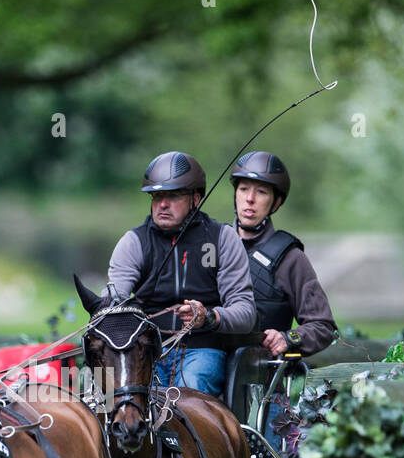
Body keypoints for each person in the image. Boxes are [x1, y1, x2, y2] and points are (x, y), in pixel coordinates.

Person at [104, 151, 255, 398]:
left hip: (202, 349)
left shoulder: (223, 238)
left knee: (191, 389)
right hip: (146, 350)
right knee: (123, 399)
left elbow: (245, 312)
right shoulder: (134, 242)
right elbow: (114, 296)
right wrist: (108, 307)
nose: (162, 204)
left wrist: (209, 317)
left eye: (173, 196)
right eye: (157, 196)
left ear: (195, 198)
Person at [229, 151, 337, 360]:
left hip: (259, 376)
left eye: (261, 192)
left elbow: (324, 327)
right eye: (243, 189)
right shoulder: (211, 246)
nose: (249, 199)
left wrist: (288, 338)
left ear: (276, 203)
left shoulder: (291, 258)